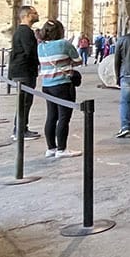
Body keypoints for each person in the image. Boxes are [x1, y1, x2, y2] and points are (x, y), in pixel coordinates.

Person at [37, 18, 81, 158]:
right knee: (64, 117)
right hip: (62, 84)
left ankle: (51, 148)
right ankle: (62, 149)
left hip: (47, 85)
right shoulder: (63, 44)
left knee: (51, 116)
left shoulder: (41, 46)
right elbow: (78, 60)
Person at [6, 5, 42, 141]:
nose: (37, 15)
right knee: (25, 102)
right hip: (24, 71)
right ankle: (19, 130)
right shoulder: (25, 32)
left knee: (25, 102)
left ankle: (21, 128)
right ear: (27, 15)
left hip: (22, 70)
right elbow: (30, 52)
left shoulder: (22, 31)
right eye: (34, 13)